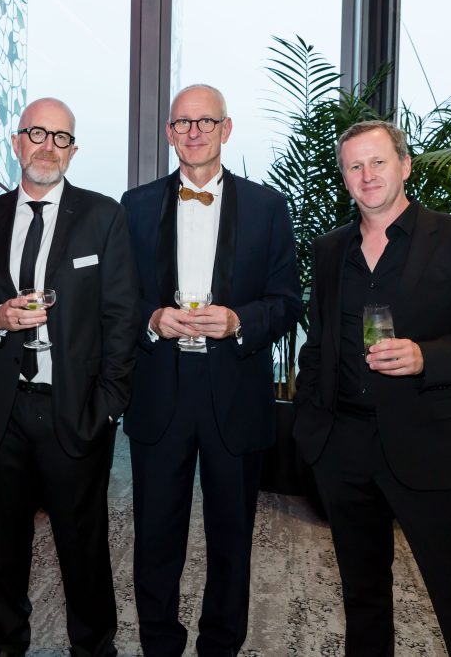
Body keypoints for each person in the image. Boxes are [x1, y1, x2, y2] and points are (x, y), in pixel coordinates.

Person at [294, 119, 451, 656]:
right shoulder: (330, 250)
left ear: (404, 165)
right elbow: (319, 345)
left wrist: (429, 356)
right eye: (354, 166)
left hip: (435, 450)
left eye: (378, 162)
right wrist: (313, 430)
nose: (367, 175)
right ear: (344, 177)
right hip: (343, 449)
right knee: (363, 600)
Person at [0, 97, 138, 657]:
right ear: (16, 142)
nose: (48, 147)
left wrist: (108, 403)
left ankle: (94, 647)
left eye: (61, 138)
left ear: (73, 151)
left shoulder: (103, 216)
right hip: (3, 407)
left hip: (74, 407)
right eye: (37, 133)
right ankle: (7, 644)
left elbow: (122, 316)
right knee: (5, 543)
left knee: (83, 544)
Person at [122, 84, 302, 656]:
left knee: (232, 537)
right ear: (169, 133)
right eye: (183, 123)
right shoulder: (135, 205)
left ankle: (221, 646)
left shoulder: (268, 207)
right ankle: (159, 645)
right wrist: (152, 320)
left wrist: (239, 321)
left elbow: (288, 301)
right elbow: (117, 299)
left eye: (205, 122)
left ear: (226, 129)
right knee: (156, 536)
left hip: (236, 390)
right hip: (160, 388)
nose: (193, 132)